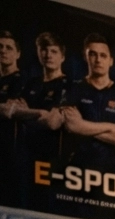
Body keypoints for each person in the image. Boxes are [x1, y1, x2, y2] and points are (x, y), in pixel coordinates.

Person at [61, 33, 115, 174]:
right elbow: (71, 125)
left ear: (111, 61)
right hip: (77, 170)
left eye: (103, 55)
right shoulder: (74, 88)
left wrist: (83, 125)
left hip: (112, 174)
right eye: (93, 54)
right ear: (85, 57)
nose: (98, 60)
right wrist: (112, 128)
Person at [11, 32, 68, 209]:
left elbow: (52, 122)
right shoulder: (31, 83)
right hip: (24, 156)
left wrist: (25, 113)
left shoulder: (68, 85)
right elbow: (9, 110)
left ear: (62, 57)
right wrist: (39, 113)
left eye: (53, 51)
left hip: (50, 160)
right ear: (38, 53)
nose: (48, 55)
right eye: (44, 50)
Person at [0, 30, 24, 206]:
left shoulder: (22, 81)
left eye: (9, 47)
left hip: (9, 155)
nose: (3, 51)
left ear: (17, 53)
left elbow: (9, 111)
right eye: (0, 47)